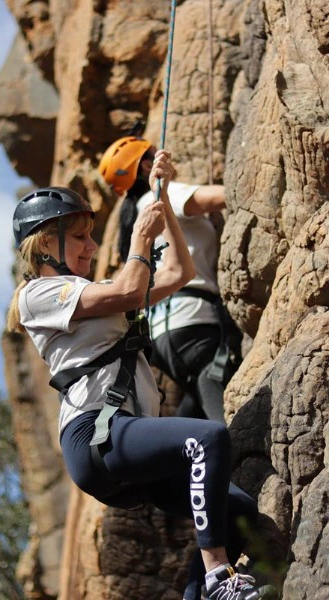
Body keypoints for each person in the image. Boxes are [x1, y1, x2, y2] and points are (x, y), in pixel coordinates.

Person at [6, 150, 275, 600]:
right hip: (94, 433)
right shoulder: (40, 294)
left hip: (122, 438)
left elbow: (178, 271)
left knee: (236, 512)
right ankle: (220, 578)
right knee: (207, 440)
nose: (91, 247)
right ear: (46, 244)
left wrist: (161, 197)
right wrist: (137, 240)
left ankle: (204, 592)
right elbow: (132, 286)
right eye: (78, 237)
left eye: (91, 237)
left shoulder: (95, 291)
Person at [99, 136, 242, 424]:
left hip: (163, 334)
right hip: (195, 321)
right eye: (154, 153)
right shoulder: (162, 196)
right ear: (146, 167)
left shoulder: (132, 224)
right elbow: (221, 197)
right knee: (222, 414)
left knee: (198, 403)